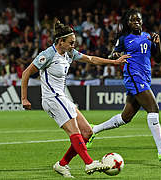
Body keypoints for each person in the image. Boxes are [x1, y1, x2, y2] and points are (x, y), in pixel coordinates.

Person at [21, 20, 129, 178]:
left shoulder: (69, 53)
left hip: (61, 97)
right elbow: (26, 73)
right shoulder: (47, 55)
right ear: (60, 41)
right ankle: (89, 162)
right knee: (75, 132)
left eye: (74, 43)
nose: (73, 46)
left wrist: (114, 62)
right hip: (52, 98)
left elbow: (91, 59)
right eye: (70, 43)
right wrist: (24, 98)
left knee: (87, 132)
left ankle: (62, 164)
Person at [86, 9, 161, 162]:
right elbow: (113, 54)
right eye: (132, 20)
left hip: (145, 77)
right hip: (134, 77)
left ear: (142, 21)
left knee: (125, 117)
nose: (135, 22)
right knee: (153, 108)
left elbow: (158, 60)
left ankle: (93, 130)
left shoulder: (149, 36)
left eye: (138, 19)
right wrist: (116, 55)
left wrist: (158, 44)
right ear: (127, 23)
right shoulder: (124, 38)